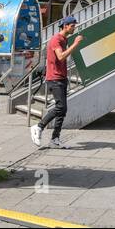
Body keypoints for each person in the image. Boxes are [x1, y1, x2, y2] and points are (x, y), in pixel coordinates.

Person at [31, 16, 83, 148]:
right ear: (65, 26)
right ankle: (38, 126)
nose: (74, 27)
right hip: (54, 78)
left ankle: (55, 139)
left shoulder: (63, 39)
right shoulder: (56, 40)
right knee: (61, 107)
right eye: (72, 25)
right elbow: (60, 57)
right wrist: (76, 44)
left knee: (63, 110)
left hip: (61, 77)